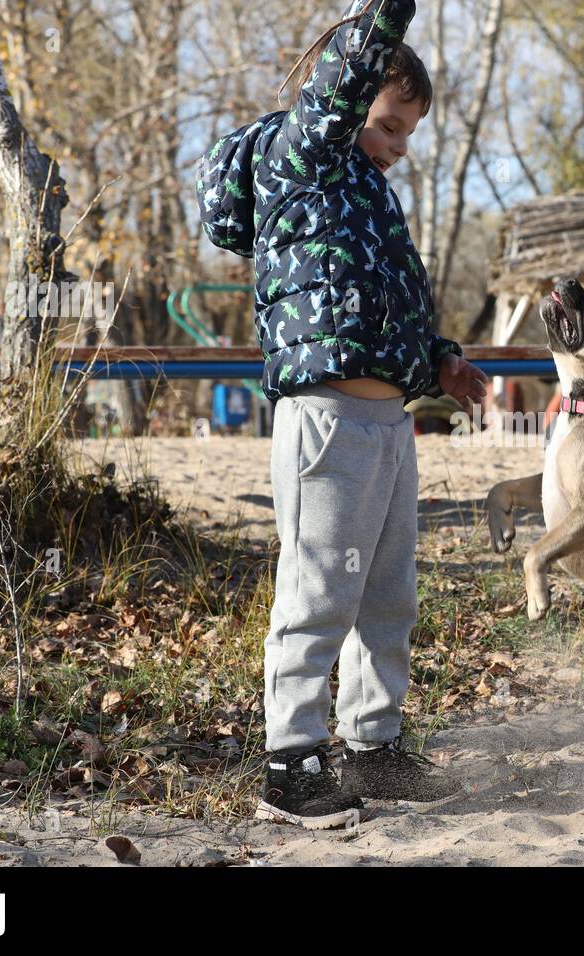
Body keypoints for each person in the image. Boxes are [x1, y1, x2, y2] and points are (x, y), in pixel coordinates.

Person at [197, 0, 488, 829]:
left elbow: (385, 298)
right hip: (326, 420)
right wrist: (389, 14)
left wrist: (439, 358)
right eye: (389, 125)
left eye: (408, 135)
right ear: (346, 97)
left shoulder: (369, 196)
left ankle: (373, 745)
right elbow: (347, 73)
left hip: (391, 425)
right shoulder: (305, 156)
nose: (398, 148)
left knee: (388, 593)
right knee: (319, 588)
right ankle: (291, 762)